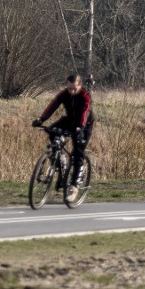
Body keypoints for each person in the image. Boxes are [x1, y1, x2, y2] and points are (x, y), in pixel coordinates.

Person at [32, 74, 94, 203]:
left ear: (80, 86)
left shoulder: (85, 96)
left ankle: (74, 187)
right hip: (69, 120)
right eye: (69, 88)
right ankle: (61, 160)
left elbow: (85, 112)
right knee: (51, 130)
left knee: (78, 152)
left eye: (74, 89)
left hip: (84, 125)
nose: (71, 91)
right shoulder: (64, 94)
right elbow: (53, 105)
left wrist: (80, 127)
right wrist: (41, 119)